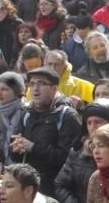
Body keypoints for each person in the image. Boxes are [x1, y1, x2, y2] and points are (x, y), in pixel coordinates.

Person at [8, 67, 82, 196]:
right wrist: (15, 148)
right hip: (30, 187)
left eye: (41, 83)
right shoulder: (26, 113)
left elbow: (68, 158)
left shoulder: (67, 115)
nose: (35, 88)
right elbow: (15, 155)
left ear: (54, 89)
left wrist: (33, 148)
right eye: (32, 84)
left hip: (58, 190)